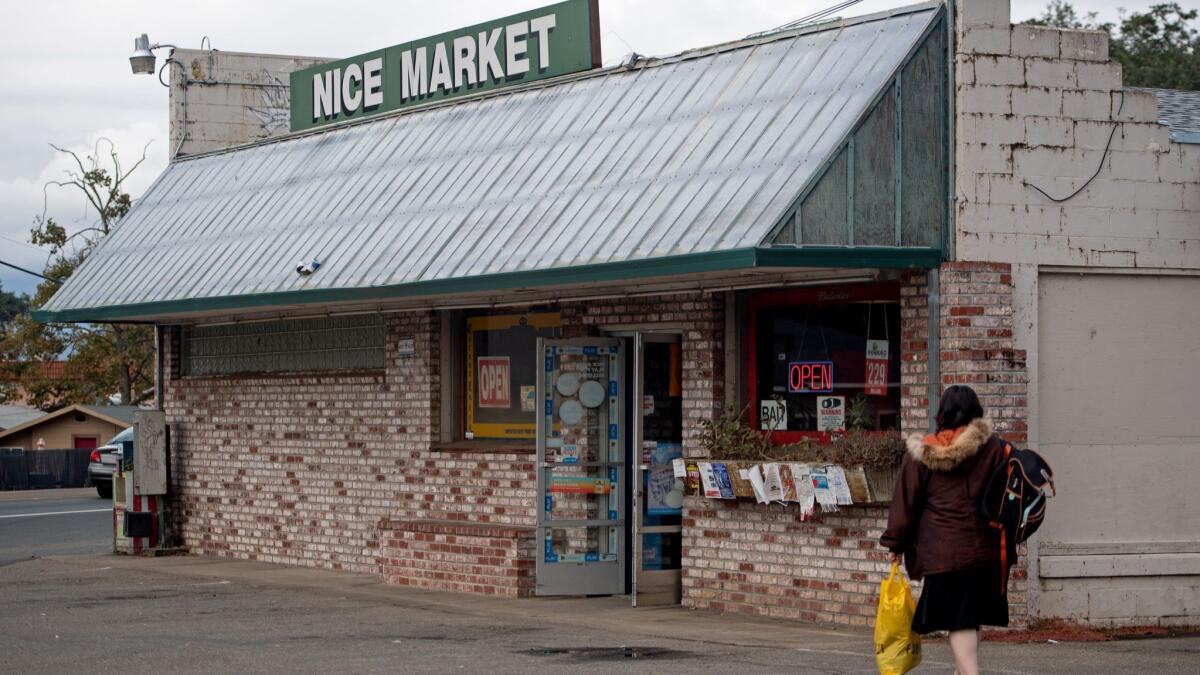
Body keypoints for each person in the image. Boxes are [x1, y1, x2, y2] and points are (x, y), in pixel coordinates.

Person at [880, 385, 1009, 675]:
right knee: (970, 618)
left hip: (945, 554)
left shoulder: (923, 453)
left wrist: (895, 544)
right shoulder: (995, 449)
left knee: (960, 621)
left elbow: (906, 503)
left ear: (943, 414)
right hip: (987, 552)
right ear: (976, 413)